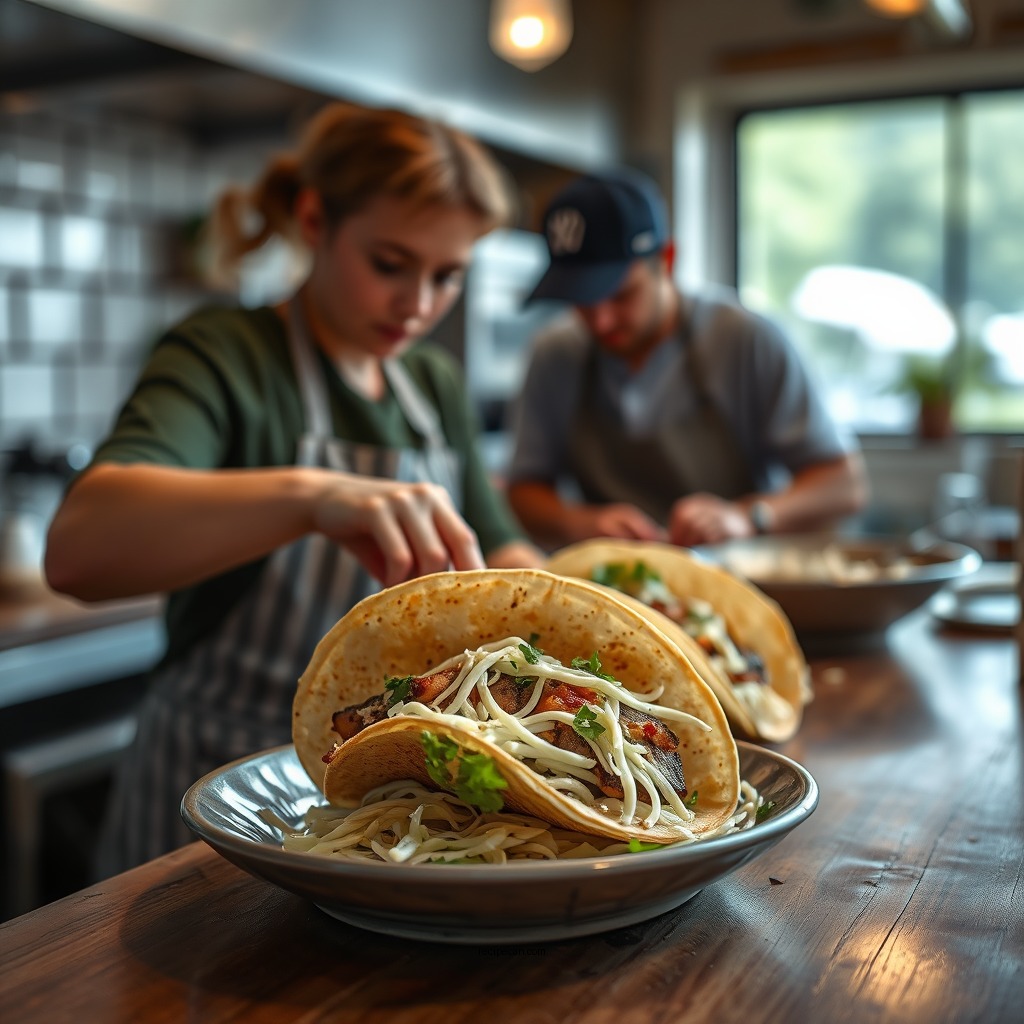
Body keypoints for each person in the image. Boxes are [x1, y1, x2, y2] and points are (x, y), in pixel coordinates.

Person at [44, 102, 543, 873]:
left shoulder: (430, 385)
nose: (417, 305)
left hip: (393, 813)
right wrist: (315, 496)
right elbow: (79, 550)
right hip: (212, 795)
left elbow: (500, 548)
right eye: (389, 264)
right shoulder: (229, 354)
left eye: (447, 276)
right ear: (315, 221)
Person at [506, 168, 868, 550]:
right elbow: (524, 489)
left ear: (667, 259)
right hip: (614, 594)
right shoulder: (555, 354)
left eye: (620, 295)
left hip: (736, 581)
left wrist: (748, 516)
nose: (600, 320)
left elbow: (844, 485)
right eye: (581, 299)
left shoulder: (744, 340)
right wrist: (580, 522)